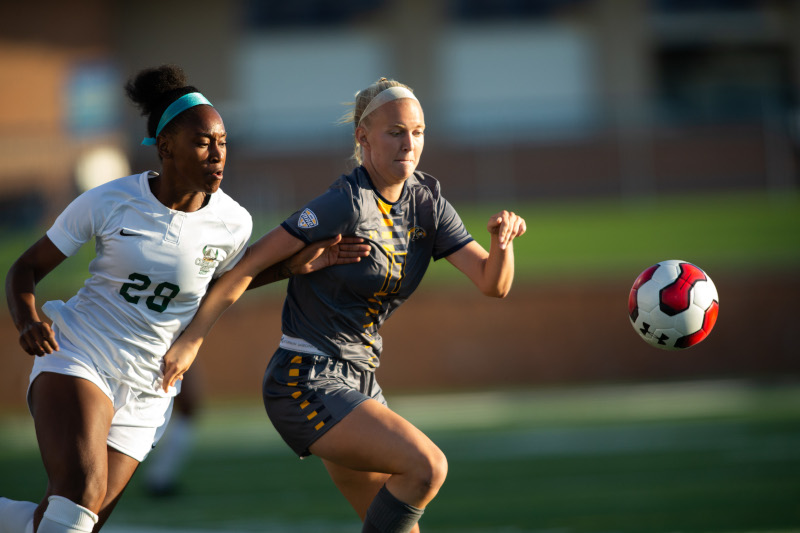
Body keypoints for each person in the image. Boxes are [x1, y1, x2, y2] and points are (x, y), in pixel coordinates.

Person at [0, 64, 368, 533]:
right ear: (166, 146)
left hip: (151, 384)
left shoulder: (234, 222)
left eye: (223, 143)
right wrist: (28, 318)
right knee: (82, 493)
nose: (217, 155)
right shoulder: (110, 200)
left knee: (72, 523)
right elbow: (24, 268)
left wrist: (291, 267)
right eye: (202, 142)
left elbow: (221, 285)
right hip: (79, 354)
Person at [162, 77, 527, 533]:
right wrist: (191, 341)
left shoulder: (428, 203)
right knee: (428, 467)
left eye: (417, 131)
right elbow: (246, 266)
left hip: (360, 381)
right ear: (363, 137)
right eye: (395, 132)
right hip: (305, 377)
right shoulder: (343, 202)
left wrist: (502, 241)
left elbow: (493, 283)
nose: (409, 143)